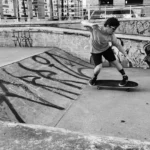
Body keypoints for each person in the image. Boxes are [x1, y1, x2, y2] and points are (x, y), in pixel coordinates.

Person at [81, 17, 132, 86]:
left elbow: (119, 46)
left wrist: (126, 55)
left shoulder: (112, 36)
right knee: (98, 67)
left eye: (115, 29)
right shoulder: (96, 28)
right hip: (95, 50)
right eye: (113, 29)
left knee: (115, 62)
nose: (113, 31)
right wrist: (91, 24)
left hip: (106, 48)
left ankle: (125, 77)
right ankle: (94, 78)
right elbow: (83, 22)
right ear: (108, 26)